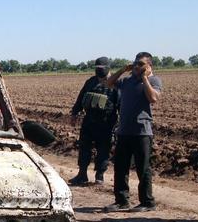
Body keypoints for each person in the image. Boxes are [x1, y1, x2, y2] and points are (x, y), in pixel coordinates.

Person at [104, 52, 162, 212]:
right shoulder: (127, 81)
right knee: (120, 167)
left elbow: (153, 99)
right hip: (124, 131)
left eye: (141, 64)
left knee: (143, 169)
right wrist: (123, 69)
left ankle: (147, 202)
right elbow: (109, 83)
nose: (137, 66)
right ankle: (121, 200)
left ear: (149, 66)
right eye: (135, 63)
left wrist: (144, 79)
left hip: (142, 132)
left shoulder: (153, 80)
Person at [68, 57, 119, 185]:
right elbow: (80, 99)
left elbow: (121, 104)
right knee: (84, 147)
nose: (99, 71)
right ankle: (82, 174)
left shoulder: (116, 84)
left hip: (106, 123)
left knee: (103, 149)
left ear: (108, 68)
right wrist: (74, 114)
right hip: (89, 121)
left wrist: (120, 123)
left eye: (101, 69)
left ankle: (99, 175)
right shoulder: (90, 82)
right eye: (97, 69)